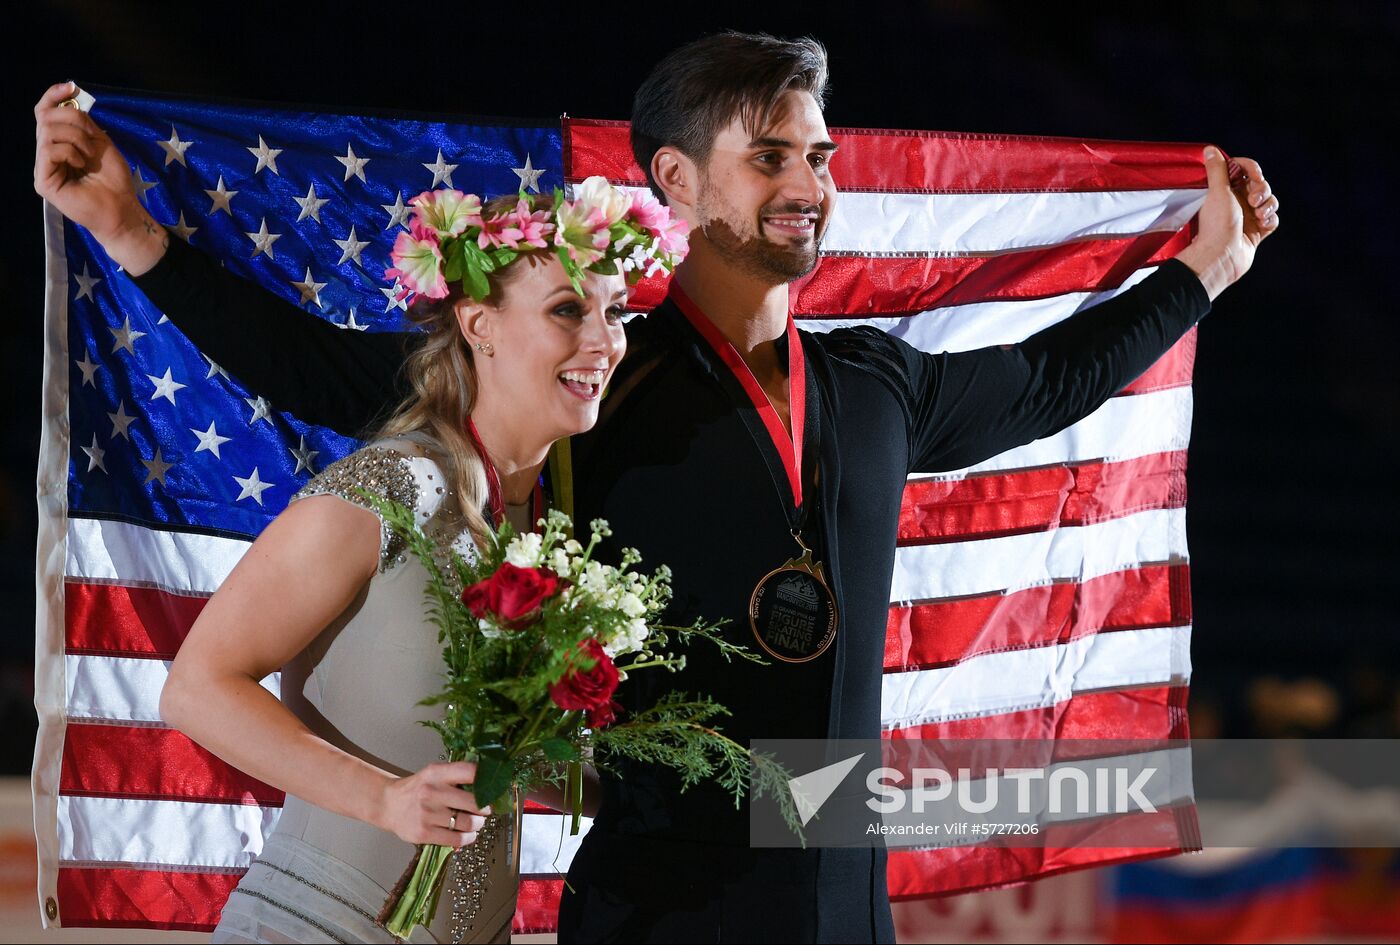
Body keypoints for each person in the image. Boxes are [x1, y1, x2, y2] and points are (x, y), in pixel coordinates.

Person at [34, 28, 1279, 944]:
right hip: (656, 907)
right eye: (768, 157)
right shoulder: (589, 381)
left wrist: (1200, 276)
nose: (807, 184)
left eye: (820, 156)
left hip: (845, 903)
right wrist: (134, 234)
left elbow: (1047, 378)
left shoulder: (874, 385)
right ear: (676, 186)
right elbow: (327, 370)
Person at [36, 95, 690, 943]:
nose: (604, 340)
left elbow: (529, 760)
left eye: (616, 313)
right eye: (569, 309)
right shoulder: (385, 485)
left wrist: (738, 800)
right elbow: (196, 687)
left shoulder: (543, 525)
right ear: (478, 324)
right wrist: (384, 798)